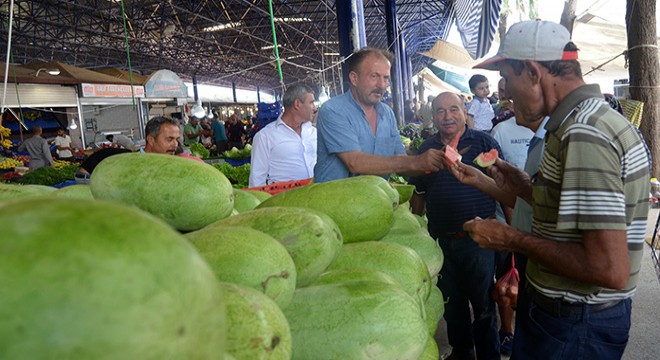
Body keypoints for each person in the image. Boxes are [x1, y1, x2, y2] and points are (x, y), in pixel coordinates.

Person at [461, 20, 650, 360]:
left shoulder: (585, 133)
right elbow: (581, 220)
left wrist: (511, 239)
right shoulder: (577, 123)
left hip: (574, 326)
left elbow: (609, 268)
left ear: (533, 72)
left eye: (507, 77)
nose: (504, 90)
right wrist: (529, 191)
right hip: (565, 319)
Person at [409, 92, 502, 360]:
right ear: (433, 116)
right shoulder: (427, 148)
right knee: (452, 304)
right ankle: (462, 352)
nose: (447, 116)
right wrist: (417, 230)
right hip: (441, 241)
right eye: (440, 111)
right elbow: (419, 193)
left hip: (479, 241)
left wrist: (510, 231)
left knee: (484, 304)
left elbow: (504, 188)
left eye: (453, 109)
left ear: (464, 112)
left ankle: (489, 355)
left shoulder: (484, 142)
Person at [314, 47, 444, 183]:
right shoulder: (333, 110)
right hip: (336, 202)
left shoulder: (387, 113)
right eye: (374, 76)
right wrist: (416, 162)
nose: (382, 85)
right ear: (354, 78)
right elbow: (355, 162)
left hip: (376, 201)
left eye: (385, 78)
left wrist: (435, 163)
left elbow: (401, 162)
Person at [249, 84, 317, 187]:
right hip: (285, 200)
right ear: (297, 104)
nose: (314, 108)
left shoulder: (314, 132)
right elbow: (257, 178)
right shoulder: (265, 136)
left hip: (316, 195)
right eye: (311, 103)